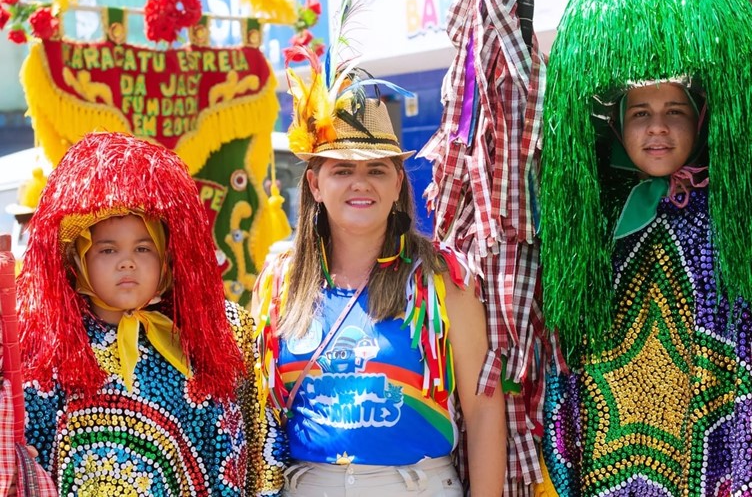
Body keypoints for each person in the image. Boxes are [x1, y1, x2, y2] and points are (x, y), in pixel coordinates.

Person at [253, 32, 506, 494]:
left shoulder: (443, 279)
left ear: (396, 186)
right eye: (342, 170)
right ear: (314, 185)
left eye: (376, 170)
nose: (360, 184)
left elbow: (485, 409)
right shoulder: (278, 283)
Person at [538, 0, 752, 495]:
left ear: (700, 120)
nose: (658, 128)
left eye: (674, 111)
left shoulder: (730, 211)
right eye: (640, 113)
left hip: (713, 459)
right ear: (616, 124)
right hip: (609, 465)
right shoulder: (588, 217)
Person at [18, 132, 286, 496]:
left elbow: (257, 448)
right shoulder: (45, 350)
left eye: (144, 248)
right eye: (107, 251)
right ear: (76, 261)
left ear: (167, 259)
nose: (127, 262)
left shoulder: (214, 339)